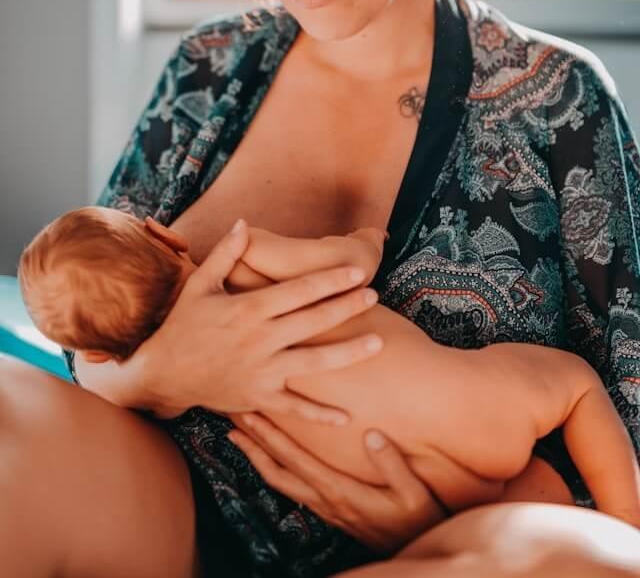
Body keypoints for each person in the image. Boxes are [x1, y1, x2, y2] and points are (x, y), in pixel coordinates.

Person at [2, 0, 639, 577]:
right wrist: (166, 373)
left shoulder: (554, 103)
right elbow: (88, 331)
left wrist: (461, 507)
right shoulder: (210, 71)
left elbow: (622, 419)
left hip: (449, 548)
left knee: (575, 563)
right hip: (175, 514)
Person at [17, 207, 640, 525]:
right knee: (576, 386)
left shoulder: (158, 388)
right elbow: (349, 268)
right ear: (166, 236)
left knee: (516, 494)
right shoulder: (242, 258)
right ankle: (626, 528)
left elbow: (107, 391)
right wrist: (367, 235)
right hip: (467, 409)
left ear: (96, 351)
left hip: (400, 480)